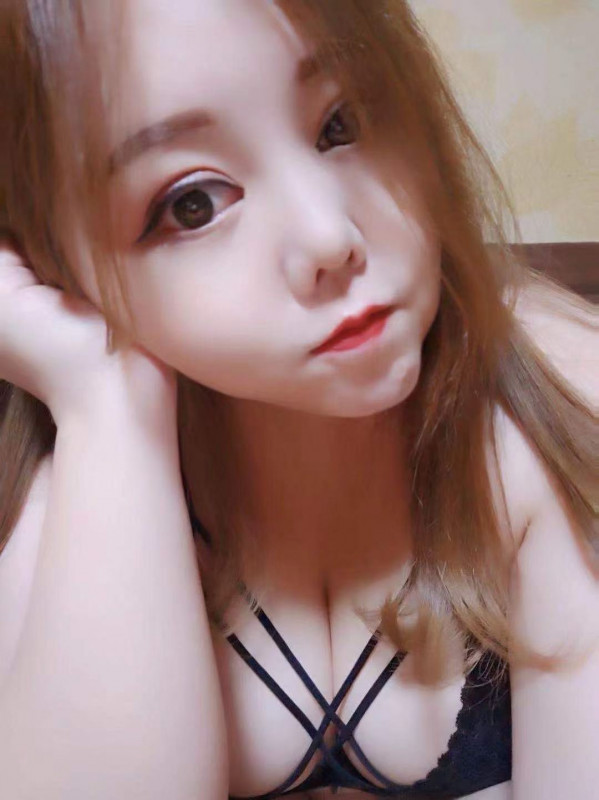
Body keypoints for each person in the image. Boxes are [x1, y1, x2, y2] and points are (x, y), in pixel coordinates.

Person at [0, 1, 597, 798]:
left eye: (342, 124)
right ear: (46, 264)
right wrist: (104, 399)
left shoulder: (553, 394)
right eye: (191, 204)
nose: (328, 236)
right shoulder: (55, 491)